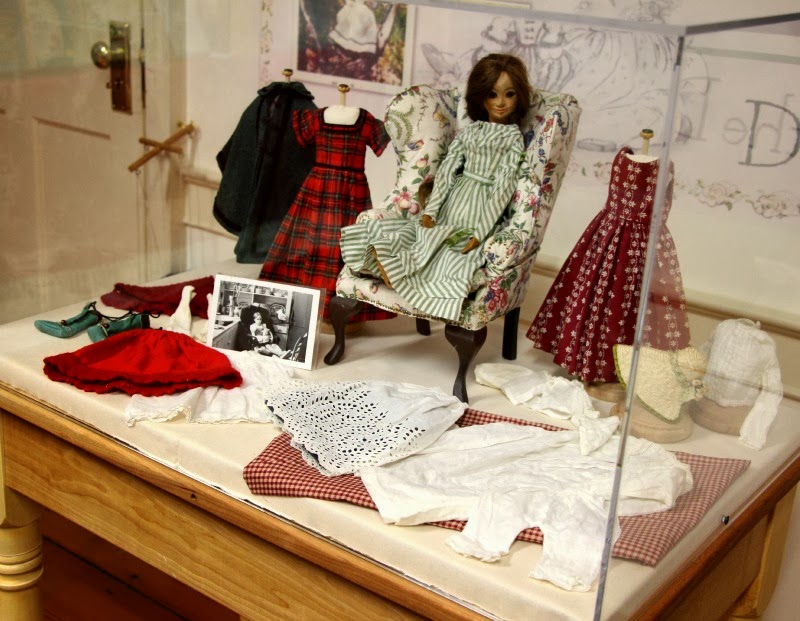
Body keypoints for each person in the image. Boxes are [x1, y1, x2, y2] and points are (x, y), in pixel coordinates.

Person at [340, 53, 534, 322]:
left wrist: (481, 231)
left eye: (509, 94)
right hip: (454, 201)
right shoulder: (471, 132)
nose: (500, 102)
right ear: (481, 97)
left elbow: (503, 186)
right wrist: (432, 209)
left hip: (481, 208)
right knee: (422, 237)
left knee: (452, 254)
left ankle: (408, 279)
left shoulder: (512, 138)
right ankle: (394, 266)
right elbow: (447, 171)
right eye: (492, 94)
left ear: (518, 97)